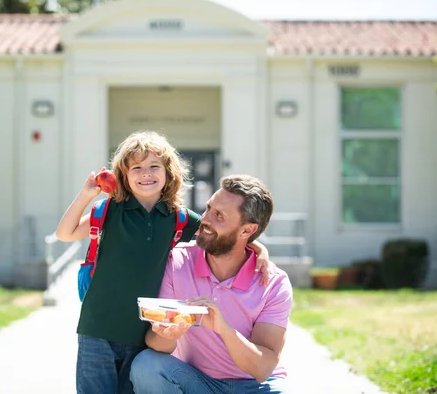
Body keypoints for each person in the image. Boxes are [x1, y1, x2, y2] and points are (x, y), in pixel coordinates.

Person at [54, 132, 273, 394]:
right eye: (136, 167)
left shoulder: (179, 217)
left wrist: (258, 247)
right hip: (96, 329)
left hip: (141, 333)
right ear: (124, 175)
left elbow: (218, 233)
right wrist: (86, 195)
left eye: (154, 166)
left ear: (168, 172)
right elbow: (64, 233)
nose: (146, 173)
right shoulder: (110, 210)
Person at [130, 174, 293, 394]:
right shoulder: (176, 262)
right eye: (208, 208)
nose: (205, 219)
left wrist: (225, 330)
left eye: (219, 215)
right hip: (197, 382)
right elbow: (156, 342)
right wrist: (169, 336)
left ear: (247, 231)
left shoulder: (273, 283)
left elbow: (262, 368)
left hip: (256, 387)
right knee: (147, 365)